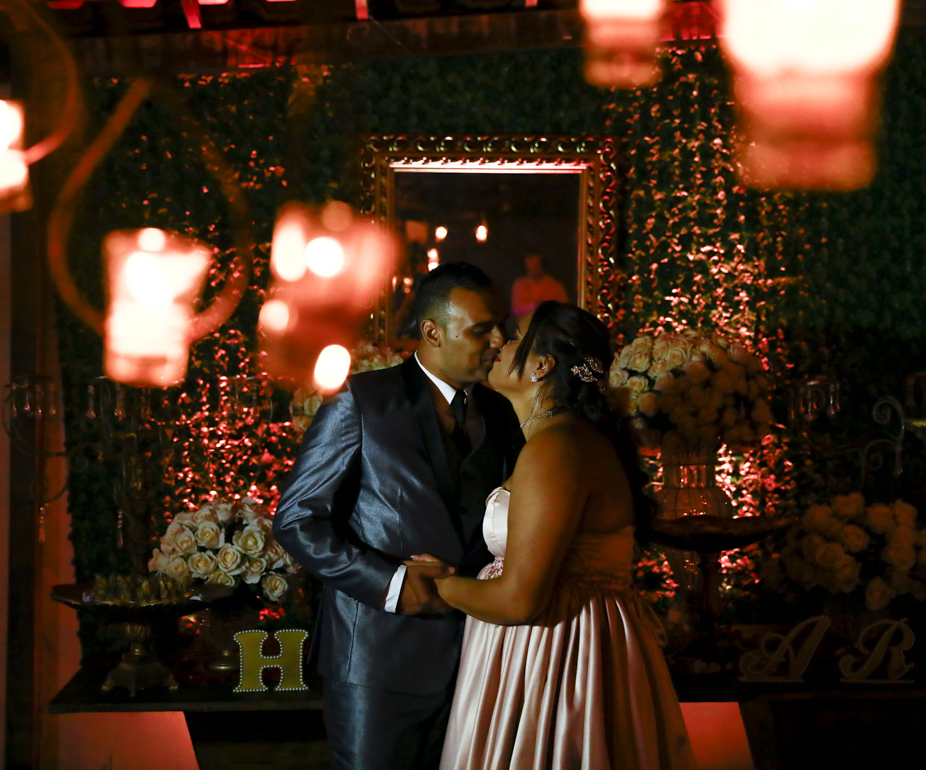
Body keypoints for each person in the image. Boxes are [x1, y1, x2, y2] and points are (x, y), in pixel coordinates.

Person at [273, 262, 524, 770]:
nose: (500, 339)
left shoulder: (504, 412)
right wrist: (389, 584)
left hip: (480, 661)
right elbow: (297, 519)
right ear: (432, 332)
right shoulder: (361, 401)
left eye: (501, 326)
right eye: (482, 329)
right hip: (377, 664)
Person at [428, 301, 695, 770]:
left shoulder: (556, 448)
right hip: (562, 644)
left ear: (542, 365)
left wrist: (437, 584)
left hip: (556, 657)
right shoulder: (565, 440)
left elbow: (520, 601)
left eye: (514, 337)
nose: (498, 342)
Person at [510, 254, 568, 319]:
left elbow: (565, 311)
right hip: (526, 324)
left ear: (542, 266)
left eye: (535, 267)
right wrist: (533, 306)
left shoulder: (555, 286)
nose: (532, 271)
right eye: (529, 267)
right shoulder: (519, 285)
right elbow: (516, 310)